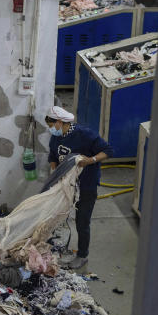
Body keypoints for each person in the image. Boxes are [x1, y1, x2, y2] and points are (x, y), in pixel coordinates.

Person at [45, 106, 114, 270]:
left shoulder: (85, 135)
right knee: (57, 215)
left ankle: (82, 255)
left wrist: (90, 160)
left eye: (51, 125)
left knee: (82, 221)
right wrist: (55, 173)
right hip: (67, 185)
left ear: (60, 123)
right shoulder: (56, 137)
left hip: (86, 185)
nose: (50, 129)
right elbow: (53, 156)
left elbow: (108, 150)